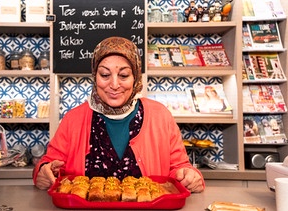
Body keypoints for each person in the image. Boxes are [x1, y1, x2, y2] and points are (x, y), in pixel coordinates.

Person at [33, 37, 205, 193]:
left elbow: (179, 168)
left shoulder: (161, 116)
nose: (114, 85)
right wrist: (43, 171)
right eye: (105, 75)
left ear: (135, 77)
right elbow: (50, 165)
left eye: (123, 75)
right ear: (95, 76)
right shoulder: (73, 119)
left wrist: (190, 176)